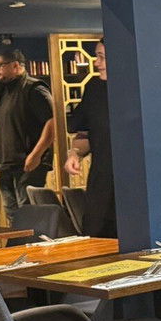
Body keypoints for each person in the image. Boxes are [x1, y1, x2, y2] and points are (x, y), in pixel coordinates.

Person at [0, 48, 55, 222]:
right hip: (6, 164)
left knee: (28, 214)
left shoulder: (34, 88)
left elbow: (52, 122)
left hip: (27, 163)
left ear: (15, 65)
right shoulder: (2, 91)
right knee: (13, 215)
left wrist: (36, 155)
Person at [64, 40, 116, 238]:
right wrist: (74, 153)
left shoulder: (138, 89)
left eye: (101, 57)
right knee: (95, 234)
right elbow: (85, 131)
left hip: (133, 183)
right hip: (100, 181)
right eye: (96, 56)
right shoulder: (94, 88)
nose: (96, 63)